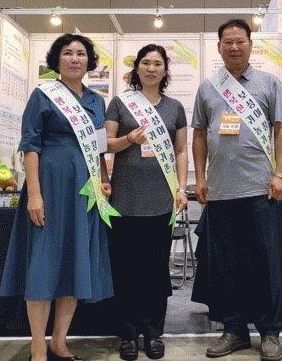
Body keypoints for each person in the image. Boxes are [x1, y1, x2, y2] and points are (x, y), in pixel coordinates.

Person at [0, 34, 114, 361]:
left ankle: (59, 342)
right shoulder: (43, 95)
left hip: (84, 190)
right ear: (57, 60)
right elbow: (30, 146)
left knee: (74, 263)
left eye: (81, 53)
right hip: (49, 186)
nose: (75, 58)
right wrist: (34, 195)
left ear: (89, 62)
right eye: (67, 53)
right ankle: (38, 346)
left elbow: (98, 148)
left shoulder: (96, 100)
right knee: (44, 264)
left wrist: (104, 180)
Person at [192, 19, 282, 361]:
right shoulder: (208, 88)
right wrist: (200, 177)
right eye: (227, 42)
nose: (234, 47)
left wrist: (280, 173)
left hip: (260, 190)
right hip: (220, 193)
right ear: (219, 47)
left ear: (250, 44)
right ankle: (234, 331)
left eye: (240, 41)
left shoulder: (268, 83)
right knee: (226, 267)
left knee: (264, 265)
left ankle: (270, 332)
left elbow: (281, 128)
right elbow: (199, 135)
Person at [105, 44, 188, 361]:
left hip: (161, 201)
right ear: (137, 68)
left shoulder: (174, 107)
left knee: (156, 271)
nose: (151, 68)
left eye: (157, 63)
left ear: (165, 70)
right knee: (125, 270)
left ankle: (153, 332)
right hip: (124, 201)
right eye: (145, 63)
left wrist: (181, 188)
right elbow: (105, 144)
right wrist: (129, 139)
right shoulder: (120, 103)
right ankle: (127, 334)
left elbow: (181, 151)